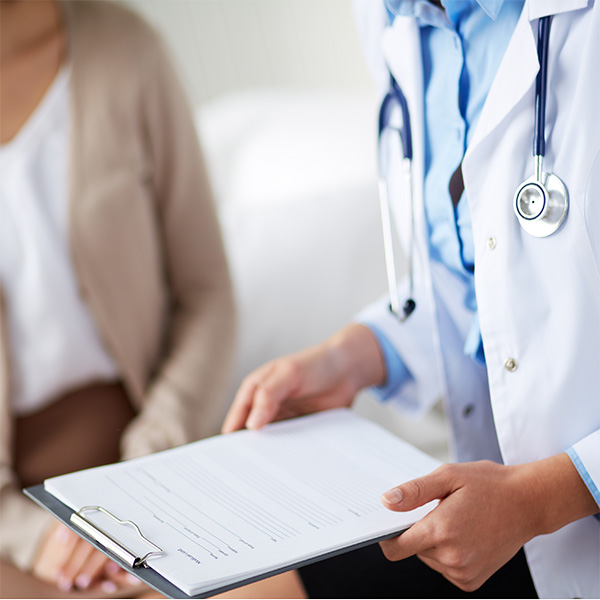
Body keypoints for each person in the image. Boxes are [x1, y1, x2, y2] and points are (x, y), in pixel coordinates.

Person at [221, 0, 599, 598]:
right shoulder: (394, 19)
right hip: (499, 524)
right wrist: (358, 353)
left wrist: (544, 496)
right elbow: (490, 275)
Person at [0, 0, 235, 597]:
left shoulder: (127, 52)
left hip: (151, 457)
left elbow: (207, 294)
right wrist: (36, 539)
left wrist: (149, 468)